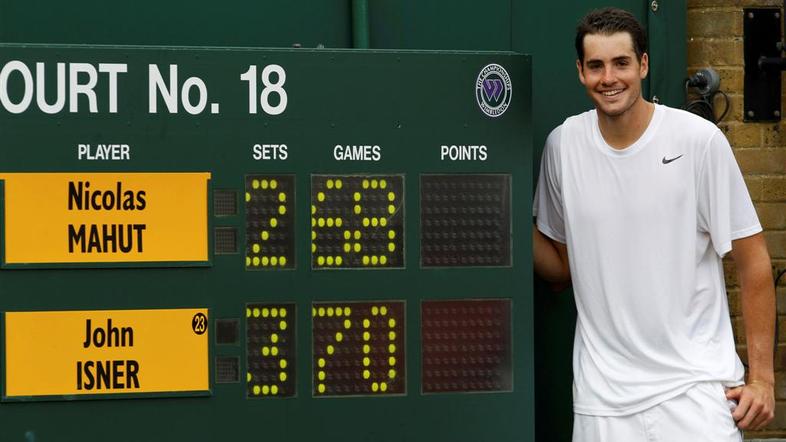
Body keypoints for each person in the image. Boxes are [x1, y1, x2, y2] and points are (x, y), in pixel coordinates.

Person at [533, 7, 776, 441]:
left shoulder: (697, 141)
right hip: (602, 403)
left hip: (694, 393)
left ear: (643, 65)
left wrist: (762, 379)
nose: (609, 77)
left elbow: (753, 259)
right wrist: (501, 215)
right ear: (580, 71)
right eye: (596, 65)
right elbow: (561, 269)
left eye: (621, 63)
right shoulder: (563, 145)